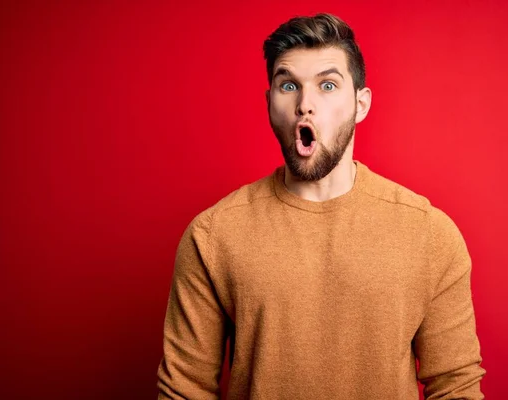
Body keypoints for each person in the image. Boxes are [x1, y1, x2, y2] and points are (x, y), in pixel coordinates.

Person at [157, 12, 485, 400]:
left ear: (360, 104)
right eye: (288, 85)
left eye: (327, 85)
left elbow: (456, 387)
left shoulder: (430, 234)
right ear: (269, 103)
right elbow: (184, 390)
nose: (305, 105)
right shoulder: (212, 236)